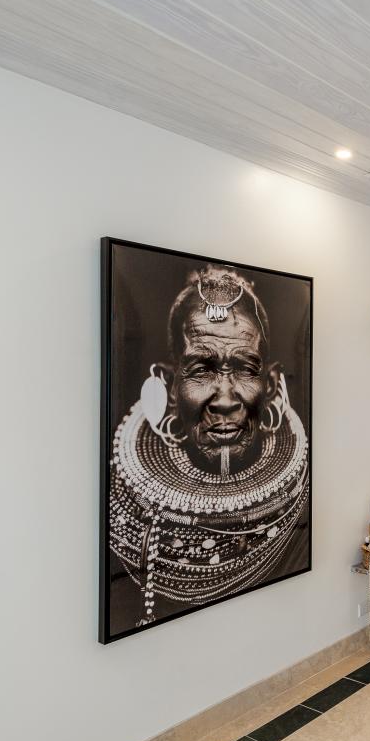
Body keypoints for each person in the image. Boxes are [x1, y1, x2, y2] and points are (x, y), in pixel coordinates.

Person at [108, 265, 309, 631]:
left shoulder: (306, 521)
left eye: (245, 369)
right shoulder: (122, 522)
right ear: (170, 386)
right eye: (201, 369)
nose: (226, 399)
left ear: (271, 384)